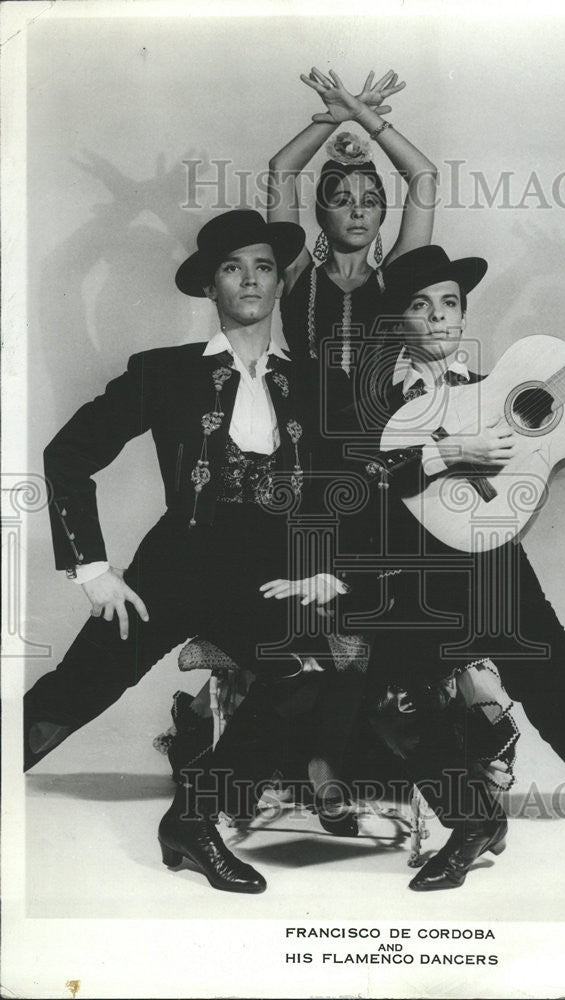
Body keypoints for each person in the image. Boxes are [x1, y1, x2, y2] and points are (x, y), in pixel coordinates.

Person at [24, 208, 372, 892]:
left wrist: (328, 566)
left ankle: (193, 822)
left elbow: (348, 486)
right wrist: (92, 570)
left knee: (307, 675)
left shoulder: (312, 384)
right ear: (209, 287)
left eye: (264, 266)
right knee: (77, 691)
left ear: (279, 284)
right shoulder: (163, 373)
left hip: (267, 577)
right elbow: (67, 455)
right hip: (175, 564)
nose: (250, 278)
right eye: (232, 267)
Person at [343, 244, 565, 889]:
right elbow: (353, 483)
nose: (440, 318)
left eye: (451, 303)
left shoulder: (492, 391)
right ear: (396, 323)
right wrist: (445, 452)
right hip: (409, 577)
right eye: (420, 307)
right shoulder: (363, 398)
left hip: (495, 568)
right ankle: (474, 821)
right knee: (396, 707)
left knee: (555, 682)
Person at [267, 67, 437, 432]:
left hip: (383, 437)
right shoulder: (297, 270)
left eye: (371, 201)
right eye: (343, 200)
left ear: (381, 215)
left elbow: (424, 176)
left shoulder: (396, 277)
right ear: (321, 214)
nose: (359, 211)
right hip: (302, 437)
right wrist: (336, 117)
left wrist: (362, 113)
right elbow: (282, 169)